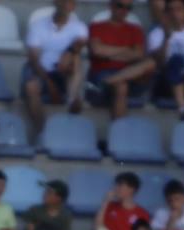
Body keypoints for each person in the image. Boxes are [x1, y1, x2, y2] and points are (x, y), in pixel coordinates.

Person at [22, 0, 89, 132]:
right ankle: (42, 132)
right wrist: (49, 83)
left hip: (63, 72)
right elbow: (34, 59)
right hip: (42, 72)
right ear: (56, 2)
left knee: (75, 58)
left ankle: (72, 97)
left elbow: (79, 44)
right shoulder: (38, 26)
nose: (66, 4)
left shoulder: (79, 27)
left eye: (70, 2)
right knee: (31, 87)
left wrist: (68, 53)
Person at [87, 0, 156, 119]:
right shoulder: (97, 27)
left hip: (129, 74)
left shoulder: (135, 29)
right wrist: (126, 50)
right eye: (120, 6)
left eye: (128, 8)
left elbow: (138, 54)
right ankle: (119, 133)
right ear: (111, 6)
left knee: (151, 63)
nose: (124, 11)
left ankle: (109, 81)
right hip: (102, 73)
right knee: (121, 86)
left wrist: (109, 53)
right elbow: (97, 51)